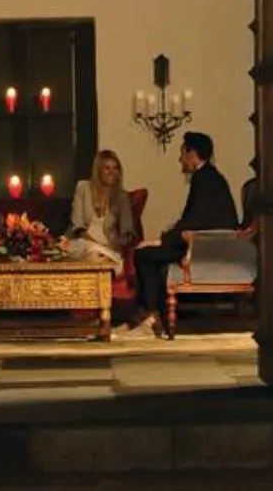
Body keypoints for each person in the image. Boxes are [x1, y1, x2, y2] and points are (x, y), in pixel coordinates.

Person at [132, 130, 240, 337]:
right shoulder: (209, 177)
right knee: (150, 254)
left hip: (206, 247)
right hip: (204, 243)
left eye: (182, 153)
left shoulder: (204, 178)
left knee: (143, 255)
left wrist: (162, 240)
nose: (180, 159)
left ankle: (150, 315)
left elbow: (196, 220)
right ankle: (152, 315)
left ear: (192, 154)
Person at [67, 146, 141, 271]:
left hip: (108, 249)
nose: (112, 172)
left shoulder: (122, 197)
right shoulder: (83, 188)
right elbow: (77, 226)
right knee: (91, 253)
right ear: (98, 170)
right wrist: (96, 245)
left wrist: (116, 244)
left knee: (101, 258)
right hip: (82, 244)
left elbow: (128, 233)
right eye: (107, 168)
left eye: (115, 168)